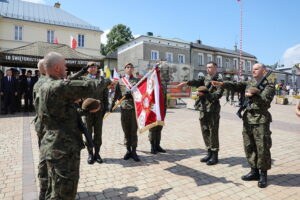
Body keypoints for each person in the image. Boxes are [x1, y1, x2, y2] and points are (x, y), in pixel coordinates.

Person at [37, 52, 114, 199]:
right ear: (58, 67)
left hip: (52, 144)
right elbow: (90, 86)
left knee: (53, 191)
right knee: (64, 193)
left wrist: (83, 110)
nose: (66, 68)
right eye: (65, 65)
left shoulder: (43, 85)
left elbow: (63, 114)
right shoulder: (58, 87)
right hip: (63, 149)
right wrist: (108, 81)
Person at [212, 63, 275, 188]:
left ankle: (263, 174)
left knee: (262, 148)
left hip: (260, 120)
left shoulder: (269, 86)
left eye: (256, 69)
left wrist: (255, 94)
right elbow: (236, 85)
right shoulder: (248, 84)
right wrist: (222, 84)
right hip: (247, 120)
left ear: (264, 70)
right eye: (252, 69)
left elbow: (265, 102)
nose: (253, 71)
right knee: (249, 146)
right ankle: (254, 171)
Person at [177, 61, 224, 165]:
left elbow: (217, 96)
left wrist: (205, 93)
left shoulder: (219, 81)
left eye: (210, 67)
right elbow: (196, 81)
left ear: (216, 68)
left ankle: (215, 155)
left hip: (212, 110)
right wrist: (186, 83)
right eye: (207, 67)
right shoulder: (205, 79)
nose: (208, 69)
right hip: (203, 108)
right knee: (205, 130)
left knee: (213, 132)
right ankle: (209, 152)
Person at [111, 63, 141, 162]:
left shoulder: (137, 81)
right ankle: (128, 150)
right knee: (126, 130)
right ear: (124, 69)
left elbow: (140, 94)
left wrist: (132, 95)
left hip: (134, 110)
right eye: (127, 67)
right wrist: (112, 105)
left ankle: (134, 151)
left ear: (133, 69)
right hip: (124, 109)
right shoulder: (120, 81)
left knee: (133, 130)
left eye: (131, 67)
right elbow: (116, 94)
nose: (129, 69)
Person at [82, 62, 109, 164]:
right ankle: (90, 153)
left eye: (95, 67)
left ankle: (97, 153)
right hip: (87, 111)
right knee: (88, 133)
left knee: (98, 133)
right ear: (87, 69)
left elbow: (105, 96)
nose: (93, 68)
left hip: (99, 111)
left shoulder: (102, 80)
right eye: (91, 67)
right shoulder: (83, 79)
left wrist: (105, 109)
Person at [148, 65, 167, 154]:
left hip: (162, 108)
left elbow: (164, 96)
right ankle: (152, 146)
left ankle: (157, 145)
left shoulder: (162, 83)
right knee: (152, 127)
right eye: (158, 71)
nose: (159, 72)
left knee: (159, 127)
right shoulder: (150, 82)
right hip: (153, 108)